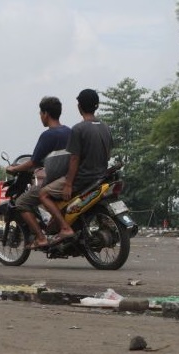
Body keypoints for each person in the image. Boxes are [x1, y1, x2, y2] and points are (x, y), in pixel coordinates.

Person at [39, 88, 113, 245]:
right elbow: (108, 155)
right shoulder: (105, 127)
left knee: (43, 194)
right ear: (96, 106)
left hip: (82, 179)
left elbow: (74, 159)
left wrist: (68, 184)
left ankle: (65, 228)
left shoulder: (78, 129)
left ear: (79, 106)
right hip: (101, 177)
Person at [6, 96, 71, 249]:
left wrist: (13, 168)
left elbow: (33, 162)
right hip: (69, 178)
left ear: (46, 114)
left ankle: (41, 238)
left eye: (40, 114)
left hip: (55, 182)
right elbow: (52, 158)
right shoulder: (69, 131)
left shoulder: (48, 135)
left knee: (21, 202)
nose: (40, 117)